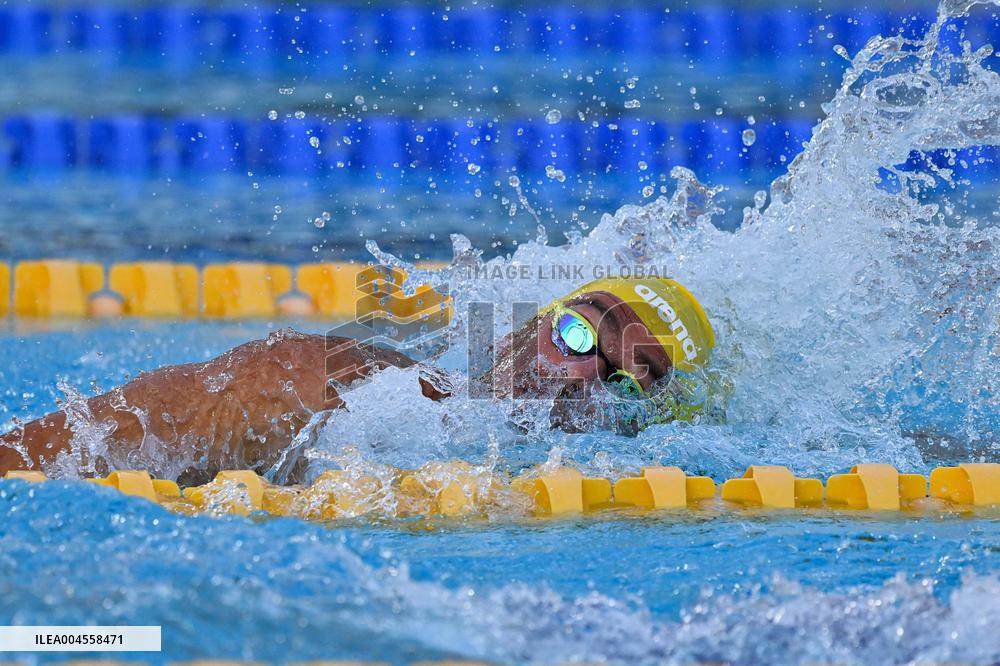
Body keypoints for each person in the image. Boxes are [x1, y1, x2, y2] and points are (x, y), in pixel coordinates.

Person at [0, 277, 714, 482]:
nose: (578, 372)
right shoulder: (329, 381)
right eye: (579, 331)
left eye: (623, 381)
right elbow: (35, 458)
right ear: (516, 328)